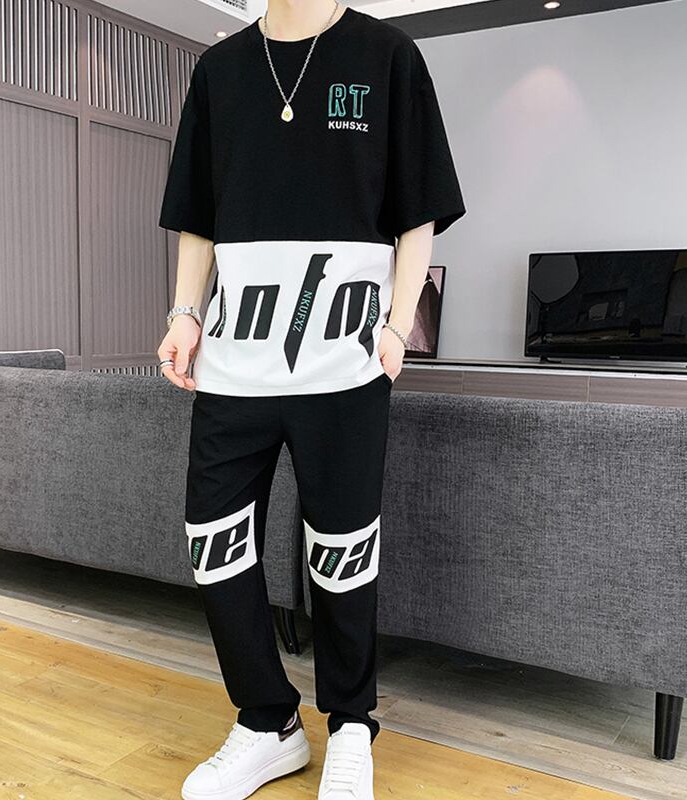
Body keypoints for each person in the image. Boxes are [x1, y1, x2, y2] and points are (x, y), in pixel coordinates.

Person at [156, 2, 466, 798]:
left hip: (344, 363)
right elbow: (197, 215)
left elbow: (419, 210)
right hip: (233, 364)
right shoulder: (219, 71)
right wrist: (185, 313)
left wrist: (397, 327)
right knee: (213, 541)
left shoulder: (387, 55)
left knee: (344, 549)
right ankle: (268, 721)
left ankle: (352, 722)